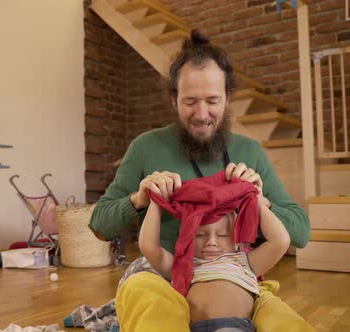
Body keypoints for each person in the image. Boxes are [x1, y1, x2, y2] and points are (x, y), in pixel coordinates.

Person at [88, 29, 312, 331]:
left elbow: (299, 233)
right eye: (190, 101)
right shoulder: (145, 147)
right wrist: (140, 199)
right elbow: (100, 225)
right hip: (162, 276)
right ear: (173, 99)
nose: (202, 114)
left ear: (228, 98)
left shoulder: (250, 151)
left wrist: (262, 200)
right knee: (147, 295)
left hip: (231, 274)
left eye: (213, 101)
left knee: (280, 316)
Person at [139, 171, 291, 331]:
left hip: (235, 327)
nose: (211, 242)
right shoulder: (183, 266)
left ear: (238, 242)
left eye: (222, 235)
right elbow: (148, 246)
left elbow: (280, 241)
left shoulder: (246, 263)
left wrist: (258, 203)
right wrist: (156, 205)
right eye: (199, 235)